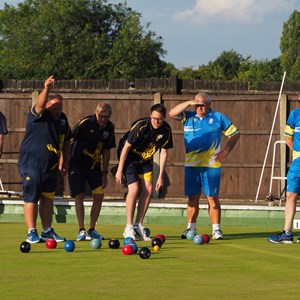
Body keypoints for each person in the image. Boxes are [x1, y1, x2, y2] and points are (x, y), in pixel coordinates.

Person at [169, 92, 240, 240]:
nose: (200, 107)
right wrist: (189, 102)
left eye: (203, 104)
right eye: (198, 104)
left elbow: (235, 134)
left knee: (212, 197)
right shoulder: (188, 117)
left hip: (211, 166)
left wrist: (226, 151)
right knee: (192, 197)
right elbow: (171, 113)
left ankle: (216, 230)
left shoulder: (218, 117)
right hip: (192, 166)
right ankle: (190, 228)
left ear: (209, 104)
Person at [19, 75, 72, 244]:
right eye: (54, 107)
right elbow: (40, 104)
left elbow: (67, 140)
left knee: (48, 198)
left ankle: (47, 231)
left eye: (60, 107)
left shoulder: (63, 120)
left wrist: (65, 160)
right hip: (32, 164)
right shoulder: (38, 115)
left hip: (51, 166)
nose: (58, 110)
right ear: (47, 106)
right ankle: (31, 232)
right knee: (32, 198)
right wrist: (47, 88)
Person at [115, 104, 173, 241]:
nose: (156, 122)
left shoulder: (166, 130)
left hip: (145, 159)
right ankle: (128, 227)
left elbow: (164, 152)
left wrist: (160, 176)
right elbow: (126, 147)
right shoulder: (141, 126)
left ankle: (137, 225)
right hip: (130, 157)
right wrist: (119, 169)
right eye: (153, 118)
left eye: (159, 119)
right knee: (134, 189)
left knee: (149, 188)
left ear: (164, 118)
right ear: (150, 116)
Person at [68, 102, 115, 241]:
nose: (103, 119)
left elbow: (107, 150)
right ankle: (81, 229)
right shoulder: (85, 123)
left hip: (94, 166)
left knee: (99, 196)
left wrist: (105, 172)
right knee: (80, 195)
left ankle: (92, 229)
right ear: (96, 113)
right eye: (101, 116)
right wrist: (64, 160)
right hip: (77, 164)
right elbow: (70, 139)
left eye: (106, 117)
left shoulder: (110, 128)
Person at [268, 107, 300, 244]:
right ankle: (287, 233)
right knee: (290, 195)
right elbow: (288, 138)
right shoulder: (294, 114)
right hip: (298, 162)